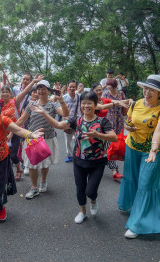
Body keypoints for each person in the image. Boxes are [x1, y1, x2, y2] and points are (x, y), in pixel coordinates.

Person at [30, 91, 117, 223]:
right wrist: (43, 113)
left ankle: (93, 200)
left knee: (90, 190)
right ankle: (82, 211)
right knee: (80, 188)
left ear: (95, 105)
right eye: (83, 103)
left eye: (89, 103)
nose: (86, 106)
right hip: (79, 161)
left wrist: (98, 135)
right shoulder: (76, 120)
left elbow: (114, 137)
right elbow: (58, 125)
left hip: (97, 162)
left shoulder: (102, 121)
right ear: (80, 104)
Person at [117, 74, 160, 239]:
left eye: (152, 90)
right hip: (132, 147)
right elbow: (129, 121)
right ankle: (131, 206)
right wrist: (128, 126)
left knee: (146, 185)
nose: (147, 92)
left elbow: (159, 132)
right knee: (131, 178)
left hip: (150, 152)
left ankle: (138, 224)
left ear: (159, 93)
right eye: (146, 88)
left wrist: (154, 150)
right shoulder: (137, 103)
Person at [15, 80, 70, 199]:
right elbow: (21, 120)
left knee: (45, 164)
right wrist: (9, 131)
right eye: (39, 88)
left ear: (48, 90)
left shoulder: (53, 105)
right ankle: (34, 188)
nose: (41, 91)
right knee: (31, 164)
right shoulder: (31, 105)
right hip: (32, 139)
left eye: (43, 88)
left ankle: (43, 181)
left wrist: (61, 100)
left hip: (48, 138)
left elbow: (65, 113)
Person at [1, 73, 42, 181]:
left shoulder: (15, 101)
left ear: (11, 93)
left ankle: (18, 169)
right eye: (2, 92)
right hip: (2, 133)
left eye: (7, 92)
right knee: (3, 155)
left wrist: (33, 82)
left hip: (15, 131)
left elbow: (24, 92)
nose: (5, 94)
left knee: (13, 155)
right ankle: (5, 173)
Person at [92, 83, 129, 181]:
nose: (99, 92)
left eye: (100, 90)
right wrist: (115, 103)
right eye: (97, 90)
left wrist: (130, 101)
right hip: (93, 128)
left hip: (105, 128)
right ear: (92, 92)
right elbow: (101, 107)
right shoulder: (91, 102)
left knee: (108, 148)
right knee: (96, 150)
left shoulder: (104, 100)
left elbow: (116, 101)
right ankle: (91, 168)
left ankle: (114, 172)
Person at [63, 80, 80, 163]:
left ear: (76, 87)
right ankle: (69, 155)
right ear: (68, 88)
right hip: (67, 120)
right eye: (70, 87)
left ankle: (76, 154)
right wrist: (65, 118)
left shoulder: (79, 96)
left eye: (74, 86)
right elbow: (61, 109)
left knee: (77, 138)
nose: (72, 88)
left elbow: (80, 108)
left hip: (77, 120)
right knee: (68, 139)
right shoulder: (64, 97)